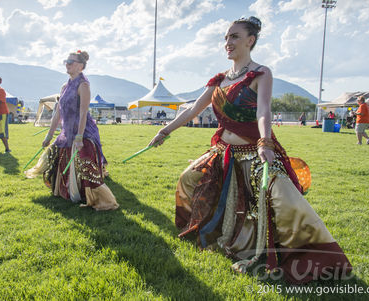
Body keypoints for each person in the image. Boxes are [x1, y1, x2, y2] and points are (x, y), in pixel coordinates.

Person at [149, 16, 351, 284]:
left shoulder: (261, 73)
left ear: (250, 40)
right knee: (189, 177)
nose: (227, 43)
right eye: (226, 38)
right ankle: (206, 230)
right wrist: (165, 131)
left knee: (280, 194)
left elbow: (264, 112)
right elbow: (193, 109)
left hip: (255, 151)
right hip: (223, 151)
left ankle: (313, 253)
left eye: (234, 37)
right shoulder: (219, 80)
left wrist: (265, 142)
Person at [28, 50, 118, 211]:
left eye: (71, 61)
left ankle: (95, 197)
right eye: (66, 61)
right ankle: (67, 191)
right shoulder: (64, 86)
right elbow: (58, 112)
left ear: (81, 66)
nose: (67, 64)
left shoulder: (83, 85)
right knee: (57, 157)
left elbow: (83, 112)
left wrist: (79, 137)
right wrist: (49, 135)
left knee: (84, 164)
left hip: (83, 131)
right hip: (67, 132)